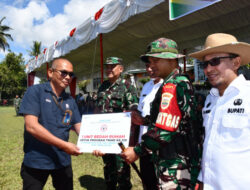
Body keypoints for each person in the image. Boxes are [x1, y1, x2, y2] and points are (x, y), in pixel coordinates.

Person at [122, 38, 202, 189]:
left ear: (172, 60)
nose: (151, 65)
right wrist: (146, 121)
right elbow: (178, 120)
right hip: (180, 159)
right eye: (150, 61)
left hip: (175, 165)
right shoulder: (180, 82)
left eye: (156, 60)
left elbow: (164, 130)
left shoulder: (172, 85)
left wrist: (137, 151)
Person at [189, 33, 250, 190]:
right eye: (205, 64)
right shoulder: (211, 99)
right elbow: (210, 145)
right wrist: (202, 180)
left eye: (215, 61)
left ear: (236, 62)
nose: (208, 69)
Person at [19, 58, 82, 190]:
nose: (68, 77)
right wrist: (64, 145)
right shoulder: (35, 92)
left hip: (62, 161)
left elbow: (79, 127)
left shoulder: (70, 100)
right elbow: (31, 126)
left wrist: (96, 142)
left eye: (71, 74)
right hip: (37, 161)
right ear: (50, 72)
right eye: (64, 72)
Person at [93, 57, 138, 190]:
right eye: (107, 67)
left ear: (120, 69)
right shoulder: (102, 86)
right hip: (104, 134)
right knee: (108, 164)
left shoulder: (127, 86)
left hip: (120, 136)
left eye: (112, 66)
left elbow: (134, 110)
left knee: (122, 165)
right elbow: (97, 109)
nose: (108, 69)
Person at [132, 61, 163, 190]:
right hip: (144, 144)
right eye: (147, 66)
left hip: (160, 147)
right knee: (147, 181)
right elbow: (141, 112)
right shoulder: (147, 86)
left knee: (161, 183)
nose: (149, 69)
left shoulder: (168, 86)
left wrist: (144, 121)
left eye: (152, 65)